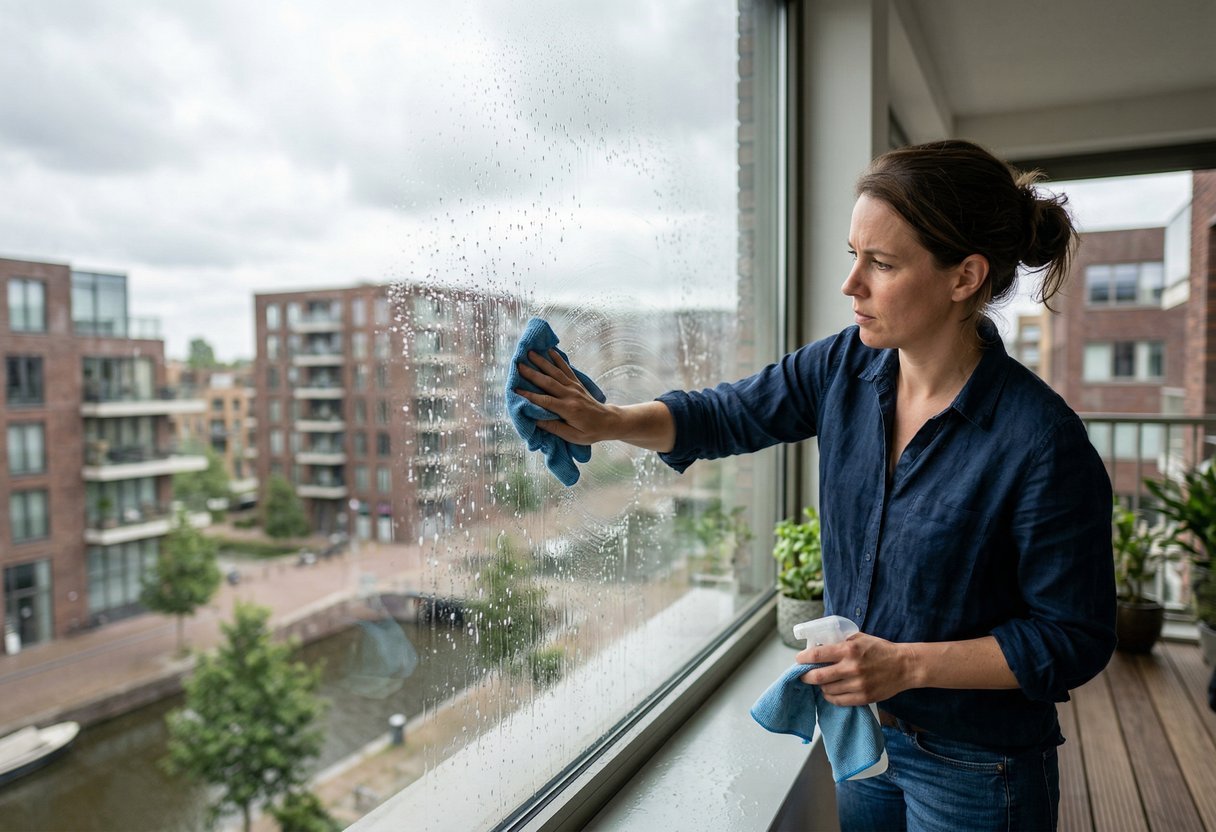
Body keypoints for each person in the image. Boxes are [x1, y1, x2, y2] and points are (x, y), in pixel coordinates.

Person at [514, 139, 1116, 831]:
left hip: (979, 768)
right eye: (852, 254)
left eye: (881, 264)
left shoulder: (1042, 442)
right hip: (862, 740)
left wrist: (904, 668)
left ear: (964, 277)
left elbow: (1072, 638)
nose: (850, 283)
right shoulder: (844, 369)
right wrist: (608, 421)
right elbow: (725, 413)